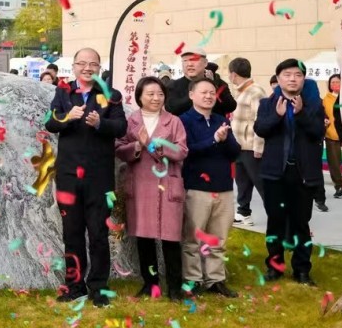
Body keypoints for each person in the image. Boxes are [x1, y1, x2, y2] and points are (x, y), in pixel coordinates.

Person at [44, 47, 125, 307]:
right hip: (69, 175)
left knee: (99, 234)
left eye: (92, 64)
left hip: (99, 177)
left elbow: (121, 127)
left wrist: (100, 124)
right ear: (74, 66)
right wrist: (68, 117)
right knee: (72, 233)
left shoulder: (111, 95)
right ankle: (74, 286)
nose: (87, 68)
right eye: (82, 63)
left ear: (99, 67)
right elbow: (50, 122)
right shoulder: (63, 91)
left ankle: (99, 286)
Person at [114, 77, 188, 300]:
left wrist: (155, 145)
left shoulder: (173, 121)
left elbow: (182, 151)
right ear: (139, 97)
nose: (156, 98)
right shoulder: (131, 121)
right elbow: (119, 148)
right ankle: (150, 284)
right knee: (144, 238)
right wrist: (137, 145)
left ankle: (175, 287)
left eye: (160, 94)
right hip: (141, 183)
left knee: (170, 238)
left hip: (167, 183)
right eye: (150, 94)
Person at [254, 59, 324, 285]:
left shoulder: (313, 103)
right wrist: (277, 115)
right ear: (278, 79)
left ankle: (302, 270)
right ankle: (275, 267)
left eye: (297, 75)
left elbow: (318, 133)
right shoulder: (267, 103)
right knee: (275, 221)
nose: (292, 79)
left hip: (303, 173)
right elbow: (260, 129)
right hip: (275, 173)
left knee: (301, 223)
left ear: (304, 79)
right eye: (287, 74)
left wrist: (301, 113)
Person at [179, 78, 242, 297]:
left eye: (212, 92)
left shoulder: (220, 119)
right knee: (193, 238)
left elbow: (235, 153)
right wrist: (213, 140)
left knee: (219, 237)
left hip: (223, 186)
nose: (208, 96)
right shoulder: (184, 121)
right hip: (196, 187)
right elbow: (187, 151)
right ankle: (193, 278)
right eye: (203, 92)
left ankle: (216, 279)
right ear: (191, 95)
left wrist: (224, 140)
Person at [227, 57, 267, 227]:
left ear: (233, 74)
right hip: (240, 146)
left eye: (229, 74)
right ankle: (244, 212)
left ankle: (279, 214)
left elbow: (261, 120)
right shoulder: (242, 91)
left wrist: (259, 147)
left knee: (261, 183)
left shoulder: (255, 91)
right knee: (242, 181)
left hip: (251, 146)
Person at [165, 46, 236, 116]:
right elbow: (172, 109)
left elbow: (231, 107)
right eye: (185, 60)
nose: (189, 64)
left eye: (194, 60)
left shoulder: (218, 83)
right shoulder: (173, 86)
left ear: (205, 63)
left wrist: (214, 87)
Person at [322, 74, 342, 203]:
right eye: (333, 82)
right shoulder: (325, 99)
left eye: (338, 81)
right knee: (334, 164)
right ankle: (339, 186)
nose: (335, 84)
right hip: (331, 135)